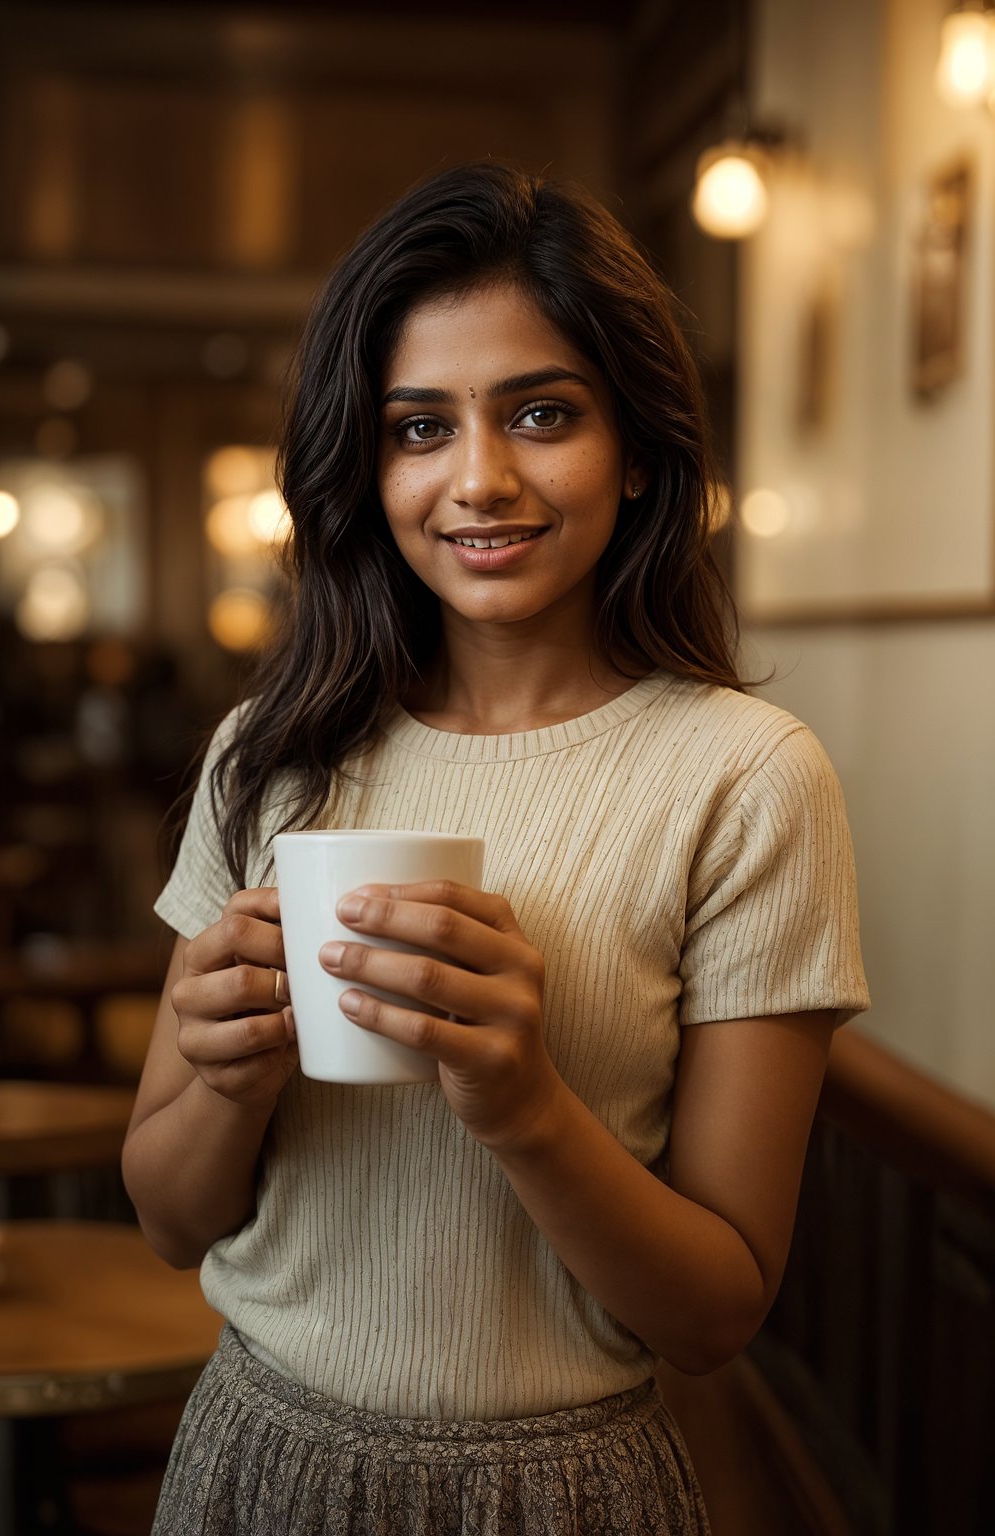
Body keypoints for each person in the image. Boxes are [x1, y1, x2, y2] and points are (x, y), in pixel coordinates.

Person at [123, 161, 869, 1536]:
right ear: (365, 460)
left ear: (637, 448)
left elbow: (715, 1309)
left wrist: (522, 1102)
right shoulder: (268, 755)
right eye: (418, 427)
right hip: (256, 1461)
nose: (480, 479)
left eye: (541, 413)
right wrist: (225, 1078)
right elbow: (171, 1221)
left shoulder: (747, 778)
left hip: (565, 1487)